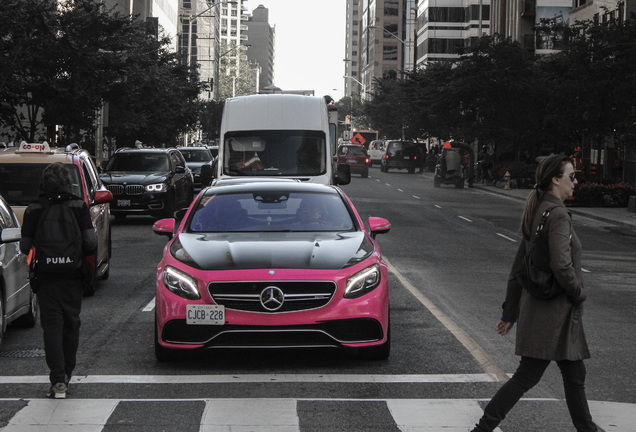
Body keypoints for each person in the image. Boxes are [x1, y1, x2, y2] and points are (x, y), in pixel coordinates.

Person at [470, 154, 599, 432]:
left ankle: (587, 429)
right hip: (554, 314)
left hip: (545, 312)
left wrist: (510, 312)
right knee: (528, 376)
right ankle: (482, 428)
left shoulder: (538, 208)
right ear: (556, 179)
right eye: (571, 176)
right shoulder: (559, 214)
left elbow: (519, 267)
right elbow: (562, 265)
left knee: (574, 375)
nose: (575, 181)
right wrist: (579, 293)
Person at [20, 163, 96, 399]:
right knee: (71, 324)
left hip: (46, 278)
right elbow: (91, 243)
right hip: (73, 276)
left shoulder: (34, 209)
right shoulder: (78, 206)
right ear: (67, 182)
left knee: (51, 328)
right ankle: (68, 374)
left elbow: (24, 246)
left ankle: (57, 380)